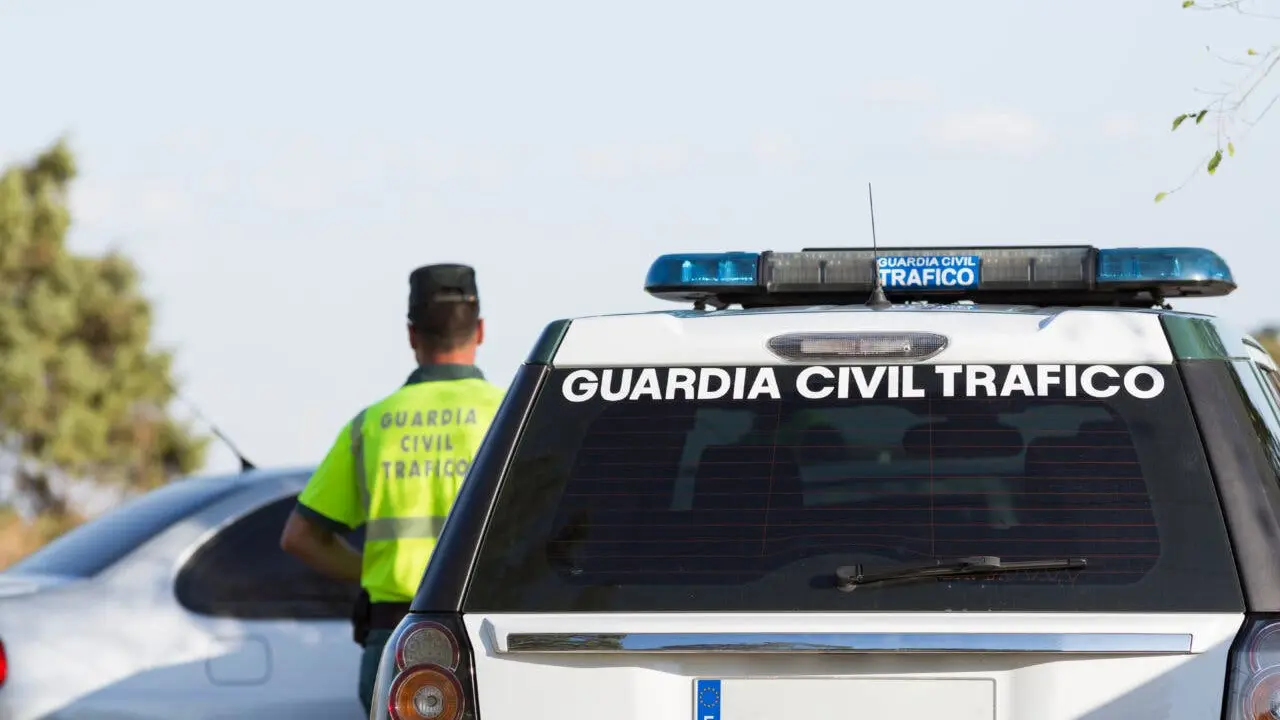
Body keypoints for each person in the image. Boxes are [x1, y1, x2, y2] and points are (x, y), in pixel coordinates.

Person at [279, 263, 505, 715]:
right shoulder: (511, 415)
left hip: (394, 642)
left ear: (411, 335)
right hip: (495, 639)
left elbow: (300, 538)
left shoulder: (371, 425)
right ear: (479, 330)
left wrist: (375, 571)